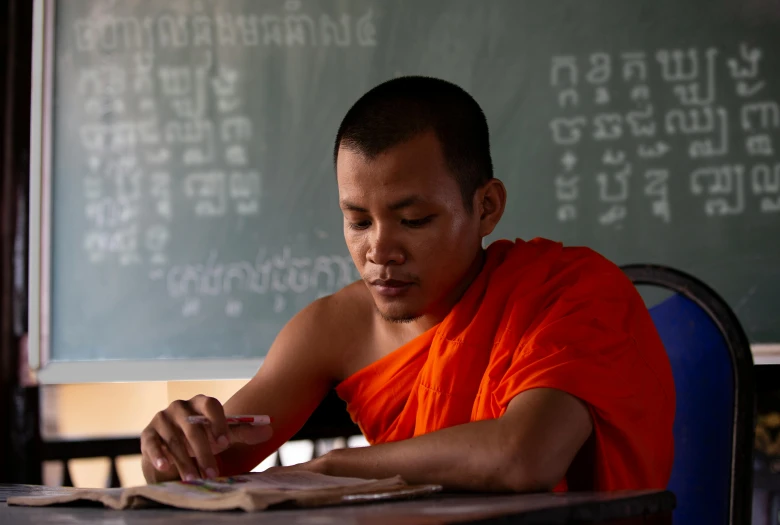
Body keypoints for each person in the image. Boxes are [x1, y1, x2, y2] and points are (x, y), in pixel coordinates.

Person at [141, 76, 675, 492]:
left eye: (414, 220)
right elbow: (201, 474)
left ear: (486, 207)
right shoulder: (335, 327)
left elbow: (523, 455)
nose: (379, 250)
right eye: (358, 221)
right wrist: (170, 449)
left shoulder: (570, 292)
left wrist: (335, 468)